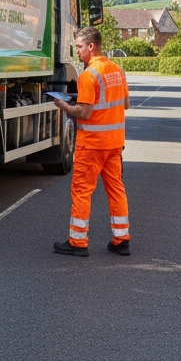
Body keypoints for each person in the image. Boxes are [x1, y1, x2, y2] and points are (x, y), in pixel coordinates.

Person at [50, 26, 131, 257]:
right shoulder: (117, 70)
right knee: (116, 189)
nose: (77, 52)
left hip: (92, 144)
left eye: (79, 47)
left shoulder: (88, 75)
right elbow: (124, 104)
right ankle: (121, 240)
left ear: (91, 46)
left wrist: (65, 106)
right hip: (115, 143)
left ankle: (77, 242)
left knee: (82, 191)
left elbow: (84, 113)